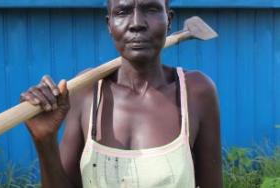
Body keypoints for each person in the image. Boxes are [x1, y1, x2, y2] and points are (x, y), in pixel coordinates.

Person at [20, 0, 223, 187]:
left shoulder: (196, 91)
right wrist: (45, 140)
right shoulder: (86, 91)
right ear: (110, 25)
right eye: (123, 11)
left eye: (151, 9)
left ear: (169, 20)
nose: (136, 23)